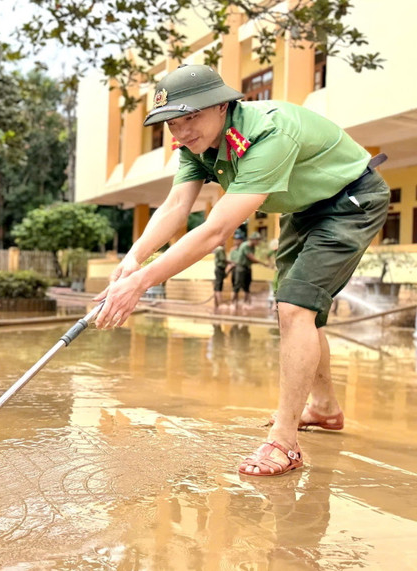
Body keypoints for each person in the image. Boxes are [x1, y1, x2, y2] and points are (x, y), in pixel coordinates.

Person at [91, 65, 389, 476]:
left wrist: (142, 283)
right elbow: (177, 207)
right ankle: (324, 408)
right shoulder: (199, 146)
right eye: (173, 125)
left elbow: (216, 231)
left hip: (350, 199)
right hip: (304, 208)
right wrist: (133, 258)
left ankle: (284, 443)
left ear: (221, 106)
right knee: (302, 309)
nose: (181, 132)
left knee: (295, 305)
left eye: (190, 118)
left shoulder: (268, 133)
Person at [232, 231, 269, 306]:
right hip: (241, 268)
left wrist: (262, 263)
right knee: (237, 286)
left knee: (247, 286)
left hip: (248, 268)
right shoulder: (245, 245)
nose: (258, 241)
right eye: (257, 239)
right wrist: (263, 263)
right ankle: (233, 304)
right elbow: (251, 257)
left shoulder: (253, 247)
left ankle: (246, 304)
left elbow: (252, 260)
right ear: (252, 239)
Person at [212, 243, 227, 310]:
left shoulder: (217, 249)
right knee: (219, 286)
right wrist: (232, 262)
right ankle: (220, 304)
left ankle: (216, 304)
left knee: (217, 286)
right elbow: (223, 259)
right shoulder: (220, 249)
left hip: (218, 269)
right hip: (219, 269)